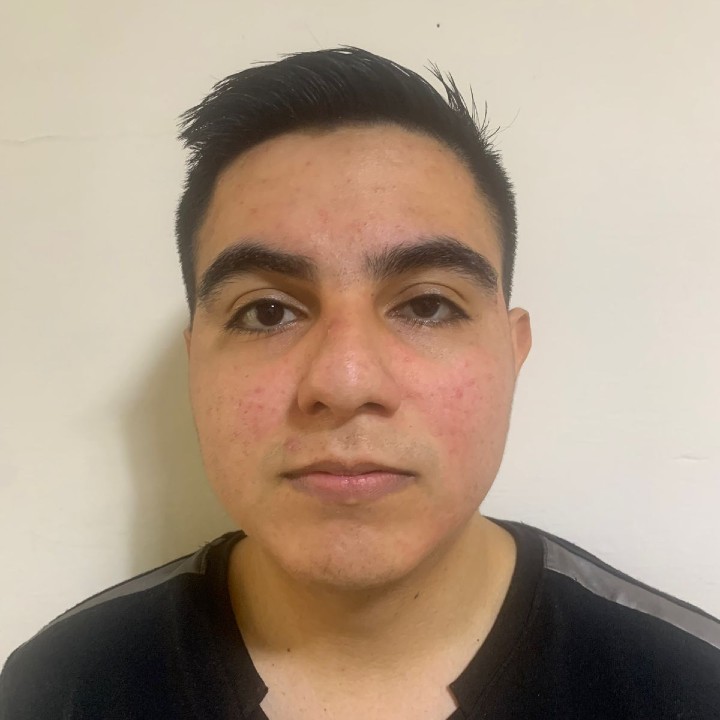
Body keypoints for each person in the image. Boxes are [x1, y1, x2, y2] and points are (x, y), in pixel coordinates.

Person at [1, 46, 718, 719]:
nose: (344, 383)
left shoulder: (692, 685)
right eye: (267, 311)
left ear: (513, 351)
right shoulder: (58, 687)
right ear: (197, 367)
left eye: (427, 305)